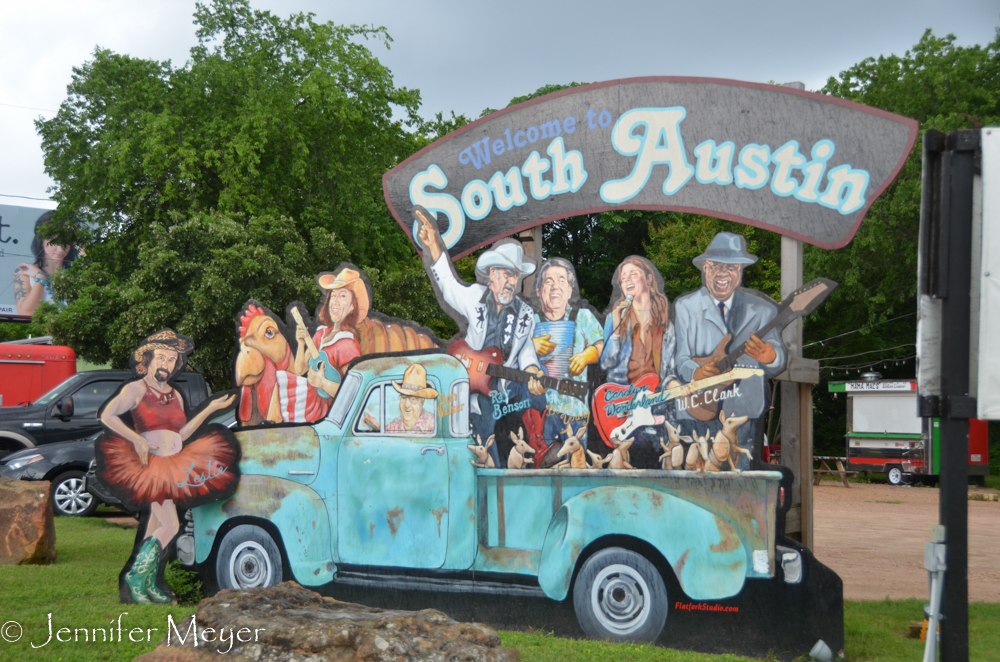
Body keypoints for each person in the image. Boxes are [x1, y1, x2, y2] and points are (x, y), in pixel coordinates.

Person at [96, 330, 237, 604]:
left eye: (172, 359)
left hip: (173, 462)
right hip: (151, 464)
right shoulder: (136, 388)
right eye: (161, 357)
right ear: (148, 359)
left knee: (155, 526)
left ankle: (146, 585)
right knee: (171, 524)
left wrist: (210, 409)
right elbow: (107, 415)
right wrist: (135, 438)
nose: (166, 364)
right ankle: (135, 578)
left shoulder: (175, 394)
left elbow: (182, 434)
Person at [415, 206, 546, 467]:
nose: (510, 281)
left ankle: (540, 444)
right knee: (485, 450)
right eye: (506, 274)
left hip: (506, 390)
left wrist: (533, 371)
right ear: (492, 275)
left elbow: (526, 350)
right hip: (477, 389)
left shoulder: (526, 313)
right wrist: (433, 246)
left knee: (538, 397)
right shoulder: (474, 296)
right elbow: (449, 286)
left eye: (515, 275)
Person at [672, 232, 787, 470]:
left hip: (744, 411)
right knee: (699, 476)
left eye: (732, 267)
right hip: (699, 408)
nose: (723, 273)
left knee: (741, 477)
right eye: (715, 266)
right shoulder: (685, 307)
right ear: (705, 268)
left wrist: (771, 356)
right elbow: (680, 359)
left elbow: (778, 355)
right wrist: (696, 372)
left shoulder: (764, 311)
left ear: (741, 271)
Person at [599, 256, 679, 468]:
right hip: (623, 406)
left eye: (633, 274)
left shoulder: (666, 325)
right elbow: (606, 363)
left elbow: (669, 370)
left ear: (649, 280)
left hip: (657, 406)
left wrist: (675, 385)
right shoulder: (614, 319)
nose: (627, 280)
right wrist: (616, 331)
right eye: (623, 278)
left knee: (660, 465)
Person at [531, 258, 604, 461]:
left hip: (575, 411)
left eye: (561, 280)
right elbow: (510, 351)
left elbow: (600, 345)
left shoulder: (583, 317)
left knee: (575, 464)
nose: (555, 286)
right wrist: (530, 345)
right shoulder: (529, 320)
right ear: (539, 291)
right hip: (540, 412)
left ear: (570, 290)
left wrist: (586, 355)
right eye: (548, 281)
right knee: (543, 464)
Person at [293, 267, 369, 399]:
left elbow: (352, 392)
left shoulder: (347, 345)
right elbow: (300, 370)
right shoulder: (321, 334)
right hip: (309, 401)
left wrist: (323, 383)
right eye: (333, 295)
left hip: (328, 412)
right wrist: (300, 343)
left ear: (352, 307)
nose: (335, 301)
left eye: (343, 296)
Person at [13, 211, 79, 317]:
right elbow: (26, 313)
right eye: (54, 241)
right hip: (39, 334)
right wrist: (40, 277)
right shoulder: (24, 273)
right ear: (41, 241)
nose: (61, 248)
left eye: (66, 242)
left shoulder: (76, 275)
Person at [363, 363, 438, 433]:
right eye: (403, 398)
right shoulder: (395, 424)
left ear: (421, 401)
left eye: (413, 400)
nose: (407, 405)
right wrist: (373, 425)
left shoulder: (432, 423)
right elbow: (384, 439)